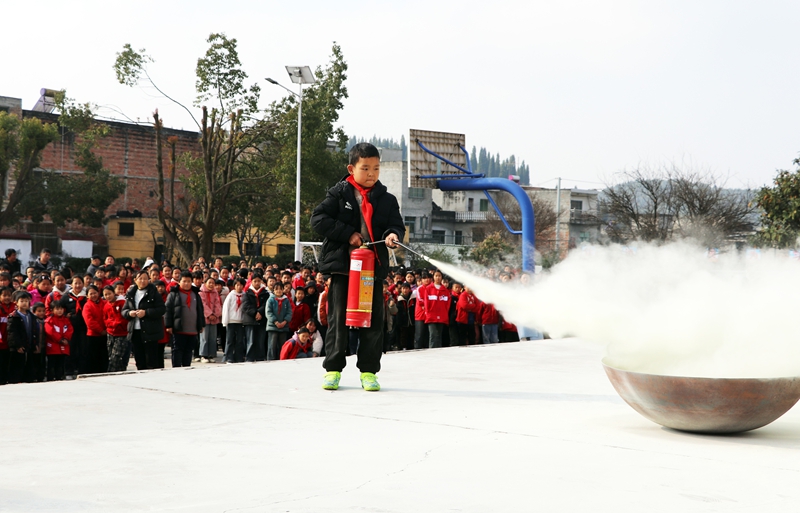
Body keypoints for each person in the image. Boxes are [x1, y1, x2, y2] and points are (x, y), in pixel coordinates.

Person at [310, 142, 405, 391]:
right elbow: (318, 219)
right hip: (343, 268)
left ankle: (369, 372)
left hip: (372, 270)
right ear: (351, 168)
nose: (371, 173)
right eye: (365, 168)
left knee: (374, 322)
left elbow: (396, 225)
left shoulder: (387, 199)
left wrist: (393, 235)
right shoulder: (338, 193)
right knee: (338, 319)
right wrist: (348, 233)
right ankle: (332, 370)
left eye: (376, 168)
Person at [122, 271, 167, 371]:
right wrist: (130, 313)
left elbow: (161, 309)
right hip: (135, 331)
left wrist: (146, 312)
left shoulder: (154, 293)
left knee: (151, 360)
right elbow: (124, 311)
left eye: (145, 278)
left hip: (150, 331)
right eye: (140, 278)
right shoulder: (131, 294)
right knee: (139, 359)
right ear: (135, 280)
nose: (142, 281)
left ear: (149, 280)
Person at [164, 271, 204, 368]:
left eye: (189, 281)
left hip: (192, 329)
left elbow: (200, 310)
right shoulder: (174, 294)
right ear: (179, 281)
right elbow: (168, 310)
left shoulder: (196, 294)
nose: (186, 283)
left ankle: (187, 368)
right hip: (179, 329)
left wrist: (201, 324)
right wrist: (168, 325)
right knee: (177, 350)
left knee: (189, 351)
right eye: (184, 281)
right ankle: (176, 369)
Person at [7, 290, 33, 384]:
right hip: (18, 346)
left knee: (28, 364)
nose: (24, 303)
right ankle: (14, 381)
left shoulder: (31, 316)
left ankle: (26, 379)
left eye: (26, 301)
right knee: (17, 364)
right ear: (16, 302)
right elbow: (12, 333)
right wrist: (17, 345)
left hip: (28, 344)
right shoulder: (13, 316)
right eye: (21, 301)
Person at [242, 272, 269, 362]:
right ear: (251, 282)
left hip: (262, 320)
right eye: (255, 281)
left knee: (260, 340)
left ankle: (260, 357)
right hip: (250, 320)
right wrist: (255, 313)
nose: (257, 283)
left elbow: (266, 304)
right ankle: (249, 357)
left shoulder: (265, 293)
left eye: (259, 281)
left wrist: (260, 312)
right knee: (251, 340)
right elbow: (246, 306)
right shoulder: (247, 293)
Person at [45, 299, 73, 381]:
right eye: (57, 309)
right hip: (53, 347)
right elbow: (50, 332)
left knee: (61, 364)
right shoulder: (49, 320)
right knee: (52, 364)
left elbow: (70, 329)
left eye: (61, 309)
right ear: (52, 310)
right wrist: (60, 339)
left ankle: (59, 377)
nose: (60, 311)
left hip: (63, 346)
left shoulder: (66, 320)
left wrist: (66, 338)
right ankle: (50, 378)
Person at [103, 286, 129, 372]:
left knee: (116, 356)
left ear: (114, 293)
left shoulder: (122, 303)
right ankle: (119, 371)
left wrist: (117, 324)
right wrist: (109, 324)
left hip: (121, 333)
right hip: (110, 333)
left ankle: (110, 372)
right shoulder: (106, 305)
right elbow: (105, 318)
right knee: (111, 355)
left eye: (109, 294)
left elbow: (125, 318)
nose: (108, 296)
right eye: (105, 295)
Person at [82, 285, 108, 373]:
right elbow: (89, 321)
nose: (93, 295)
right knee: (93, 357)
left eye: (95, 293)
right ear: (87, 296)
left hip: (106, 334)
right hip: (93, 335)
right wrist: (101, 331)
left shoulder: (105, 303)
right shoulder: (87, 306)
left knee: (104, 356)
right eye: (91, 293)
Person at [221, 277, 247, 363]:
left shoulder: (244, 295)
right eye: (237, 285)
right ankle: (229, 357)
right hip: (231, 320)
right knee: (230, 340)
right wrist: (225, 321)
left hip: (240, 321)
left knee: (240, 340)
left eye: (241, 285)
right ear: (234, 286)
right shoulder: (231, 296)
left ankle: (239, 357)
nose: (239, 287)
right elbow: (226, 308)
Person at [265, 282, 292, 361]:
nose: (279, 291)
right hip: (273, 326)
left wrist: (285, 321)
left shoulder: (286, 300)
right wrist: (275, 322)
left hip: (284, 326)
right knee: (272, 345)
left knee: (282, 344)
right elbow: (268, 312)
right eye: (276, 289)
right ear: (273, 290)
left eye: (281, 289)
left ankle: (282, 358)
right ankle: (270, 359)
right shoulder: (270, 300)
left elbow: (289, 312)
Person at [198, 277, 221, 363]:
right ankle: (203, 355)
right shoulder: (201, 292)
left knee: (212, 337)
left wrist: (215, 314)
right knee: (204, 337)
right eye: (209, 282)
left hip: (214, 319)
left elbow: (217, 304)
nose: (211, 284)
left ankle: (211, 354)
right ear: (205, 283)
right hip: (205, 318)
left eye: (213, 283)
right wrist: (209, 314)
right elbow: (202, 304)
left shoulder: (215, 293)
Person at [0, 286, 15, 385]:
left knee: (9, 361)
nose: (7, 298)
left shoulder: (15, 307)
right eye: (4, 295)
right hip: (1, 340)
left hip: (11, 340)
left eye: (9, 295)